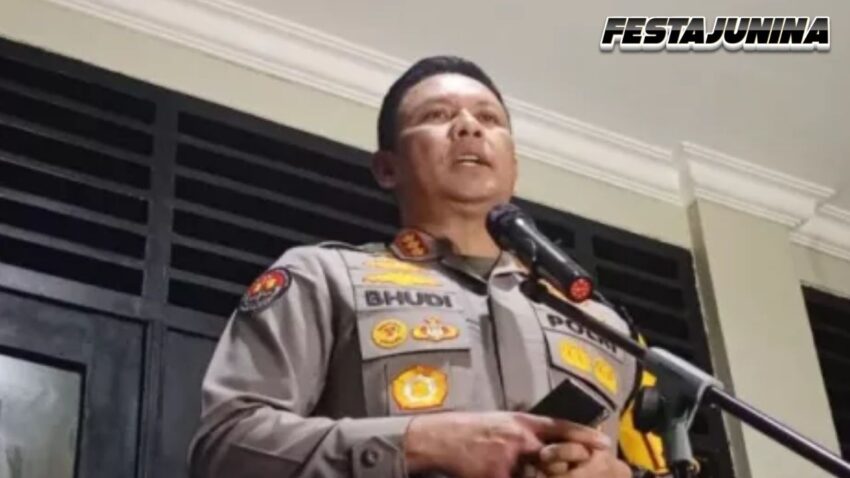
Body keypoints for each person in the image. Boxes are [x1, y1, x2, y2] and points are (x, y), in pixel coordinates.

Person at [189, 56, 668, 478]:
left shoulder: (606, 326)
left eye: (489, 118)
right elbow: (226, 448)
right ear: (387, 168)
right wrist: (423, 443)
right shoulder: (322, 277)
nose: (469, 127)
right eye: (437, 115)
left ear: (514, 165)